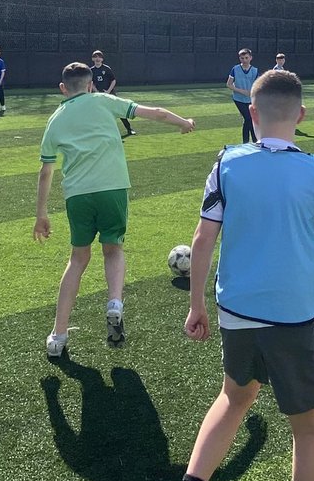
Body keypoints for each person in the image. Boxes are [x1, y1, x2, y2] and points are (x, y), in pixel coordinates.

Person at [159, 69, 314, 481]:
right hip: (294, 317)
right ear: (302, 116)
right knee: (308, 430)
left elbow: (202, 240)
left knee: (234, 397)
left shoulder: (227, 162)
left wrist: (196, 305)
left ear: (252, 113)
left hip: (235, 312)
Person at [34, 62, 195, 356]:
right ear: (91, 85)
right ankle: (115, 304)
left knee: (78, 259)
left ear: (62, 88)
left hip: (78, 196)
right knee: (114, 249)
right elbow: (155, 113)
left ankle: (58, 336)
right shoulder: (104, 101)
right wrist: (183, 122)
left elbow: (46, 171)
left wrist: (41, 215)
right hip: (113, 189)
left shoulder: (55, 119)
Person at [90, 50, 135, 136]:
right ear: (92, 59)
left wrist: (108, 91)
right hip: (99, 95)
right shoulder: (91, 70)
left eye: (99, 56)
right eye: (95, 57)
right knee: (100, 112)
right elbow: (91, 83)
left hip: (110, 93)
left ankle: (129, 129)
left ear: (102, 59)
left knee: (119, 111)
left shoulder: (106, 69)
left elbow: (113, 80)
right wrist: (97, 92)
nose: (97, 58)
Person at [226, 48, 259, 142]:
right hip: (238, 99)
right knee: (249, 118)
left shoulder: (254, 70)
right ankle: (251, 141)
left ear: (250, 58)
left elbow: (258, 85)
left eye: (246, 58)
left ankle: (251, 142)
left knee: (249, 119)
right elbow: (228, 84)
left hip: (251, 99)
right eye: (242, 58)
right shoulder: (235, 69)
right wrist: (241, 91)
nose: (244, 60)